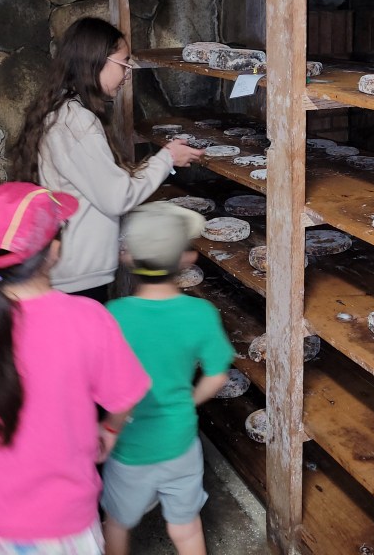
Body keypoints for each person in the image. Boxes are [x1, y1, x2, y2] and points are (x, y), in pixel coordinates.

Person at [0, 182, 152, 555]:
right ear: (54, 251)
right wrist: (109, 430)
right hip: (67, 523)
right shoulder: (89, 319)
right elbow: (125, 396)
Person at [11, 17, 205, 302]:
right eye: (123, 63)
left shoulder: (63, 110)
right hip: (78, 276)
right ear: (97, 62)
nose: (127, 73)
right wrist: (167, 158)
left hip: (72, 267)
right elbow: (116, 197)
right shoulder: (76, 122)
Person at [101, 201, 236, 555]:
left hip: (130, 447)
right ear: (186, 260)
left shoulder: (113, 315)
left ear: (128, 258)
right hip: (180, 442)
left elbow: (100, 380)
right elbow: (217, 376)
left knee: (117, 523)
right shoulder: (201, 313)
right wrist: (188, 401)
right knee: (186, 528)